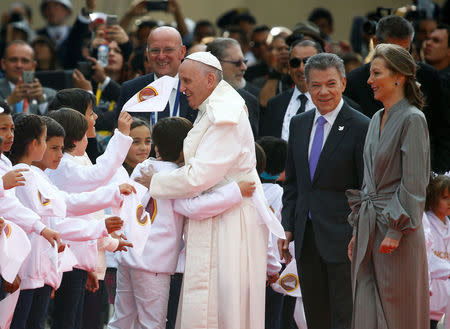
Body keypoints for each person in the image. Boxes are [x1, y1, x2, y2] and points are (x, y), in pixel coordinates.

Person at [139, 52, 280, 329]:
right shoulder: (216, 107)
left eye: (187, 80)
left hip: (230, 221)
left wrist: (154, 183)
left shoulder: (223, 115)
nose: (182, 88)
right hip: (219, 211)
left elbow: (198, 177)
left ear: (210, 79)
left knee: (222, 306)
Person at [279, 53, 370, 329]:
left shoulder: (361, 126)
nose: (323, 91)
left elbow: (366, 187)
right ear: (306, 85)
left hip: (344, 239)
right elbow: (294, 183)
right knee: (314, 315)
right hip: (306, 238)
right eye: (316, 84)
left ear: (343, 82)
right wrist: (288, 226)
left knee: (344, 315)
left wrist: (358, 232)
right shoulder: (299, 123)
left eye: (330, 83)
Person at [346, 43, 430, 329]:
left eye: (376, 73)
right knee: (367, 310)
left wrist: (396, 229)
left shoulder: (413, 119)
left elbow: (415, 182)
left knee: (398, 312)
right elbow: (368, 181)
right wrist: (358, 230)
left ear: (400, 76)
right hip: (370, 227)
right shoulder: (373, 120)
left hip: (400, 233)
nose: (369, 81)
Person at [344, 15, 448, 173]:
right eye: (393, 52)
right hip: (370, 177)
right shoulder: (354, 81)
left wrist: (436, 175)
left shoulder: (427, 76)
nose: (399, 60)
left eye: (405, 51)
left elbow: (441, 132)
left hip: (421, 174)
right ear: (376, 43)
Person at [116, 26, 197, 125]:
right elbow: (120, 134)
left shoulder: (198, 89)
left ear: (182, 52)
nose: (161, 56)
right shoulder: (130, 89)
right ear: (147, 54)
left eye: (168, 50)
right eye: (155, 50)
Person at [206, 37, 260, 136]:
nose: (244, 67)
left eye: (245, 61)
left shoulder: (250, 101)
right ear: (215, 64)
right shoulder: (194, 97)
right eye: (237, 63)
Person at [0, 40, 56, 114]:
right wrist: (9, 102)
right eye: (13, 60)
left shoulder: (51, 95)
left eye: (24, 61)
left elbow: (56, 123)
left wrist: (42, 102)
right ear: (3, 64)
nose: (19, 65)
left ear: (34, 66)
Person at [424, 174, 450, 329]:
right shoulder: (425, 223)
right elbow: (429, 260)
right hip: (429, 299)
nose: (449, 202)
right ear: (433, 198)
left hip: (444, 302)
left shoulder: (448, 226)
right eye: (445, 197)